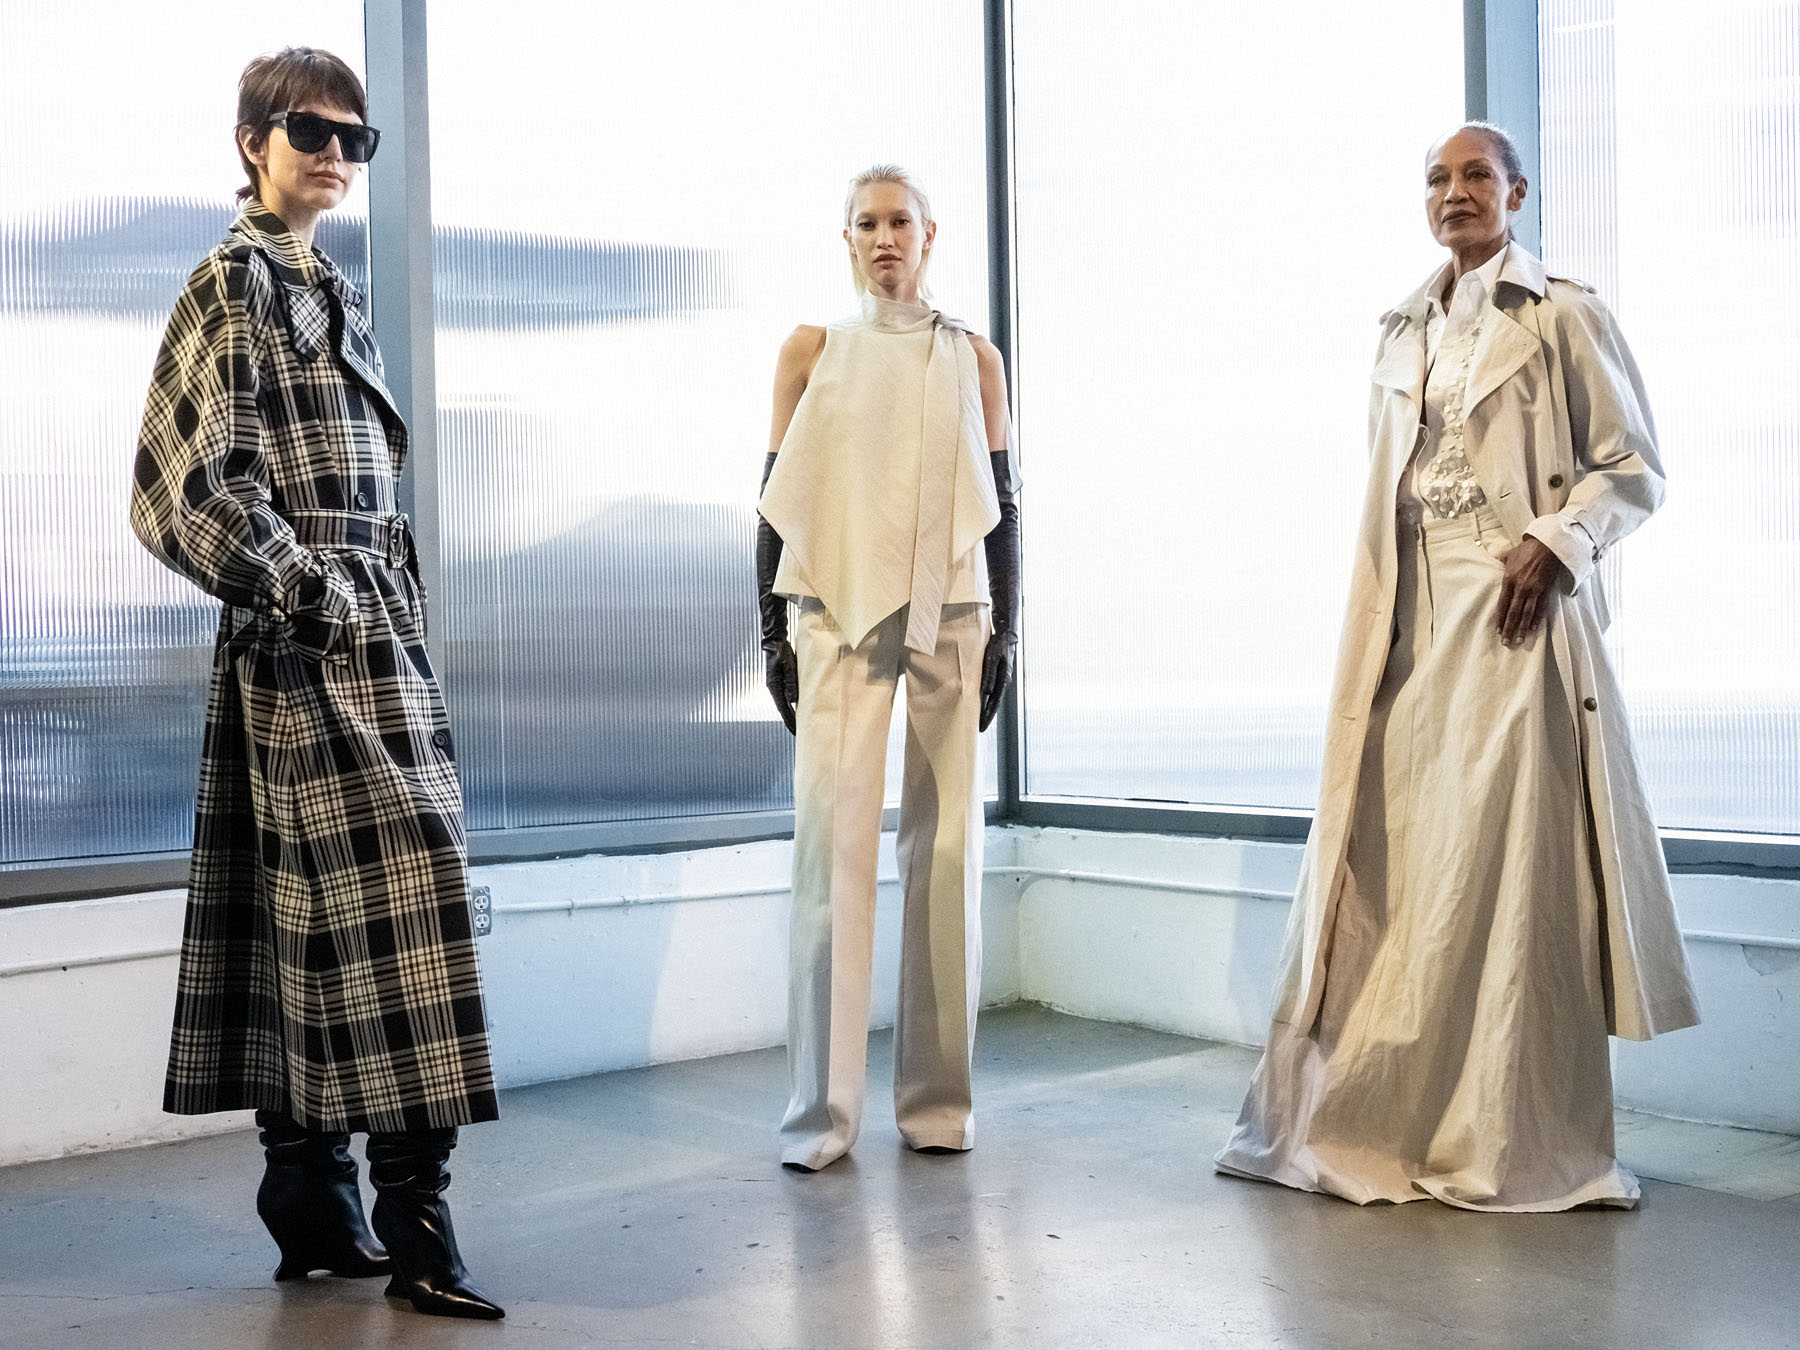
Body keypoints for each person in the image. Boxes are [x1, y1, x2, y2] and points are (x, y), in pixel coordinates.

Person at [1215, 123, 1699, 1211]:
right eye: (1437, 178)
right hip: (1406, 616)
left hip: (1516, 617)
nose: (1455, 192)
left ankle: (1504, 1132)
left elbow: (1635, 470)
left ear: (1517, 193)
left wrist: (1560, 542)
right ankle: (1385, 1113)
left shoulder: (1565, 314)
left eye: (1477, 174)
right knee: (1395, 863)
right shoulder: (1402, 327)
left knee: (1508, 873)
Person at [130, 47, 503, 1317]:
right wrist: (314, 593)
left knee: (314, 923)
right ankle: (416, 1229)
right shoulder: (230, 283)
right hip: (309, 641)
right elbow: (182, 490)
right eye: (309, 129)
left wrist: (366, 602)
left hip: (368, 632)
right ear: (253, 141)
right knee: (409, 897)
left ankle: (312, 1205)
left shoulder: (328, 284)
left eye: (355, 136)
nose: (335, 152)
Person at [756, 164, 1021, 1171]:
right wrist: (769, 630)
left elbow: (1005, 496)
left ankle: (939, 1105)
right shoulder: (811, 350)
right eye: (866, 222)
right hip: (834, 603)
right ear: (847, 238)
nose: (884, 238)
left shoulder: (973, 356)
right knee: (829, 851)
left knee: (948, 857)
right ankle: (820, 1116)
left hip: (955, 603)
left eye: (900, 221)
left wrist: (1008, 629)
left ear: (928, 234)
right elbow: (771, 493)